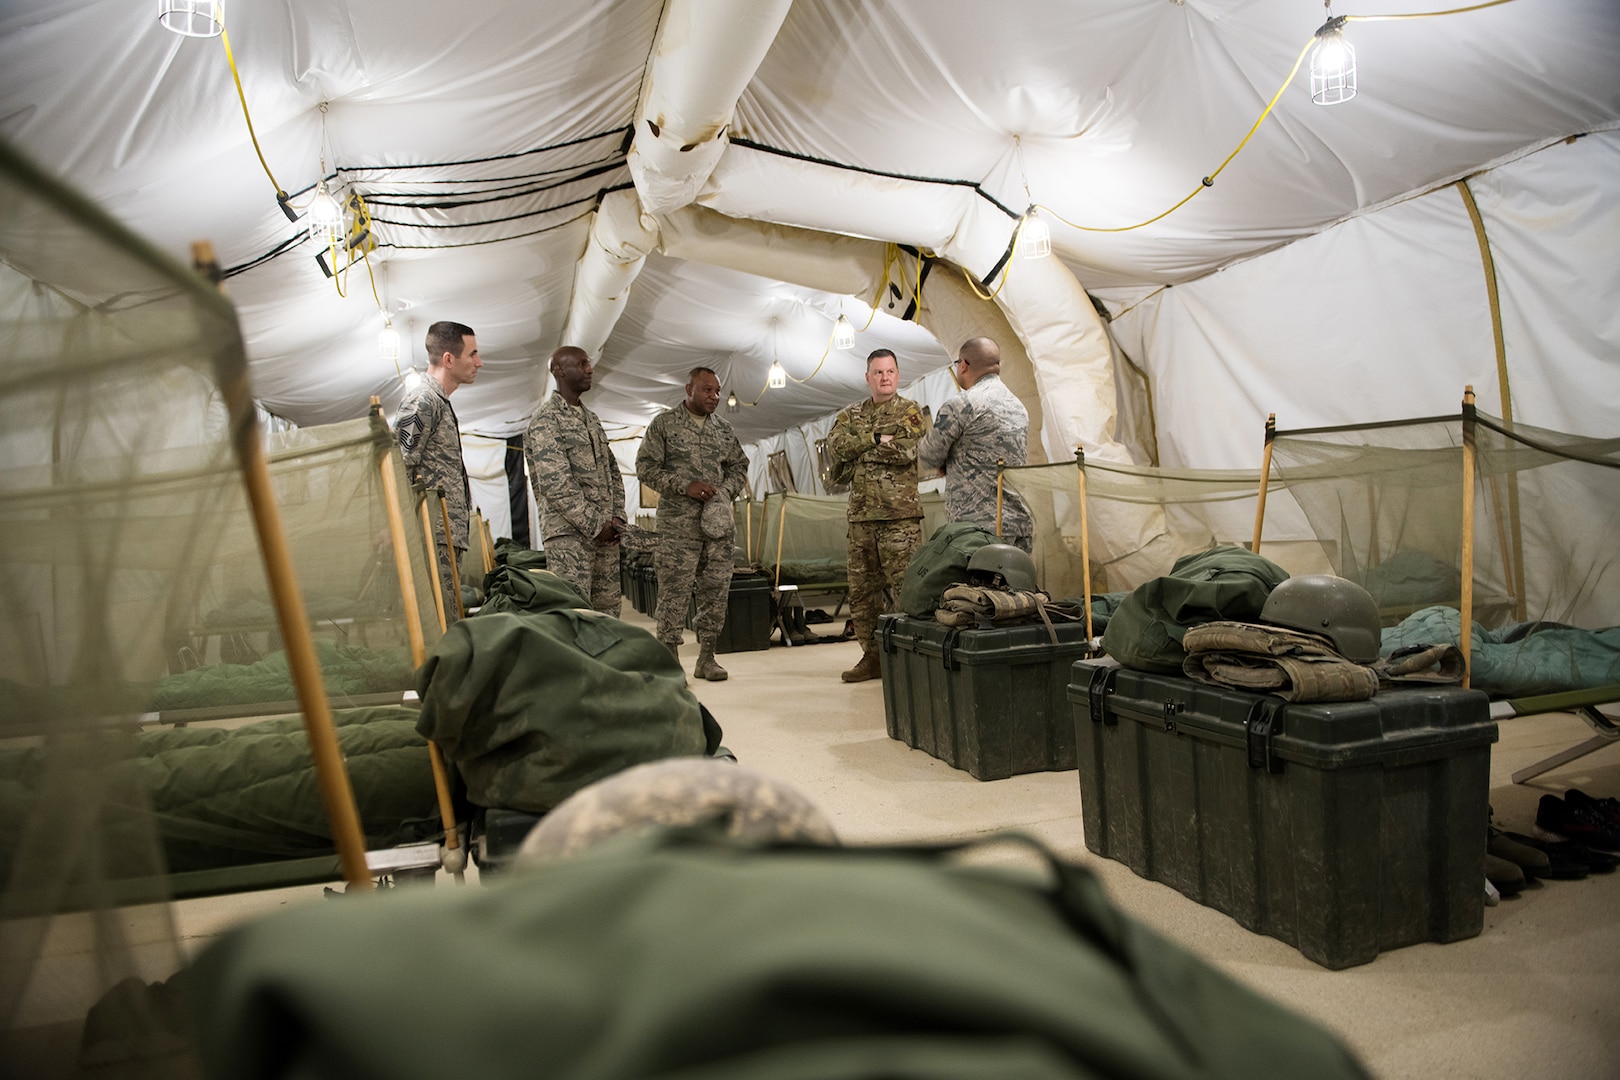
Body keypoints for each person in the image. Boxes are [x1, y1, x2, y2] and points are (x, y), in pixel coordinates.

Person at [635, 367, 748, 681]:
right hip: (677, 527)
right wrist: (683, 484)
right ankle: (669, 661)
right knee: (674, 592)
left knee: (716, 592)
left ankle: (707, 658)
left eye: (717, 391)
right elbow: (645, 467)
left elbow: (740, 466)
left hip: (717, 528)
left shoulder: (724, 430)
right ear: (689, 389)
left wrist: (724, 493)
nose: (714, 396)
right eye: (707, 390)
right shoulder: (665, 425)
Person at [825, 349, 925, 683]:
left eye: (891, 371)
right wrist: (874, 438)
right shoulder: (850, 414)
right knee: (862, 593)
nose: (885, 378)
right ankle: (873, 656)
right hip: (861, 520)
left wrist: (861, 451)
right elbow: (836, 449)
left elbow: (906, 450)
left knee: (907, 590)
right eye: (878, 372)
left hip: (899, 518)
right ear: (868, 377)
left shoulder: (909, 410)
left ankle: (911, 658)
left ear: (898, 375)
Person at [524, 346, 627, 615]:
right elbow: (556, 484)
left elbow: (613, 472)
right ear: (559, 371)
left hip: (605, 534)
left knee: (608, 615)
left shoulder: (591, 419)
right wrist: (596, 525)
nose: (590, 369)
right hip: (569, 538)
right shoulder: (546, 420)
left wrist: (616, 518)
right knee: (575, 616)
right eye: (582, 364)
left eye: (588, 363)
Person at [397, 320, 481, 621]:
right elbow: (400, 464)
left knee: (448, 616)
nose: (478, 362)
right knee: (439, 620)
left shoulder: (439, 403)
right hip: (430, 534)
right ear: (449, 359)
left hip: (444, 534)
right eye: (472, 354)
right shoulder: (423, 400)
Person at [917, 336, 1034, 552]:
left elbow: (928, 456)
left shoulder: (962, 404)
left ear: (963, 365)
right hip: (1018, 525)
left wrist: (946, 459)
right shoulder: (1018, 407)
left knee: (975, 588)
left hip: (976, 531)